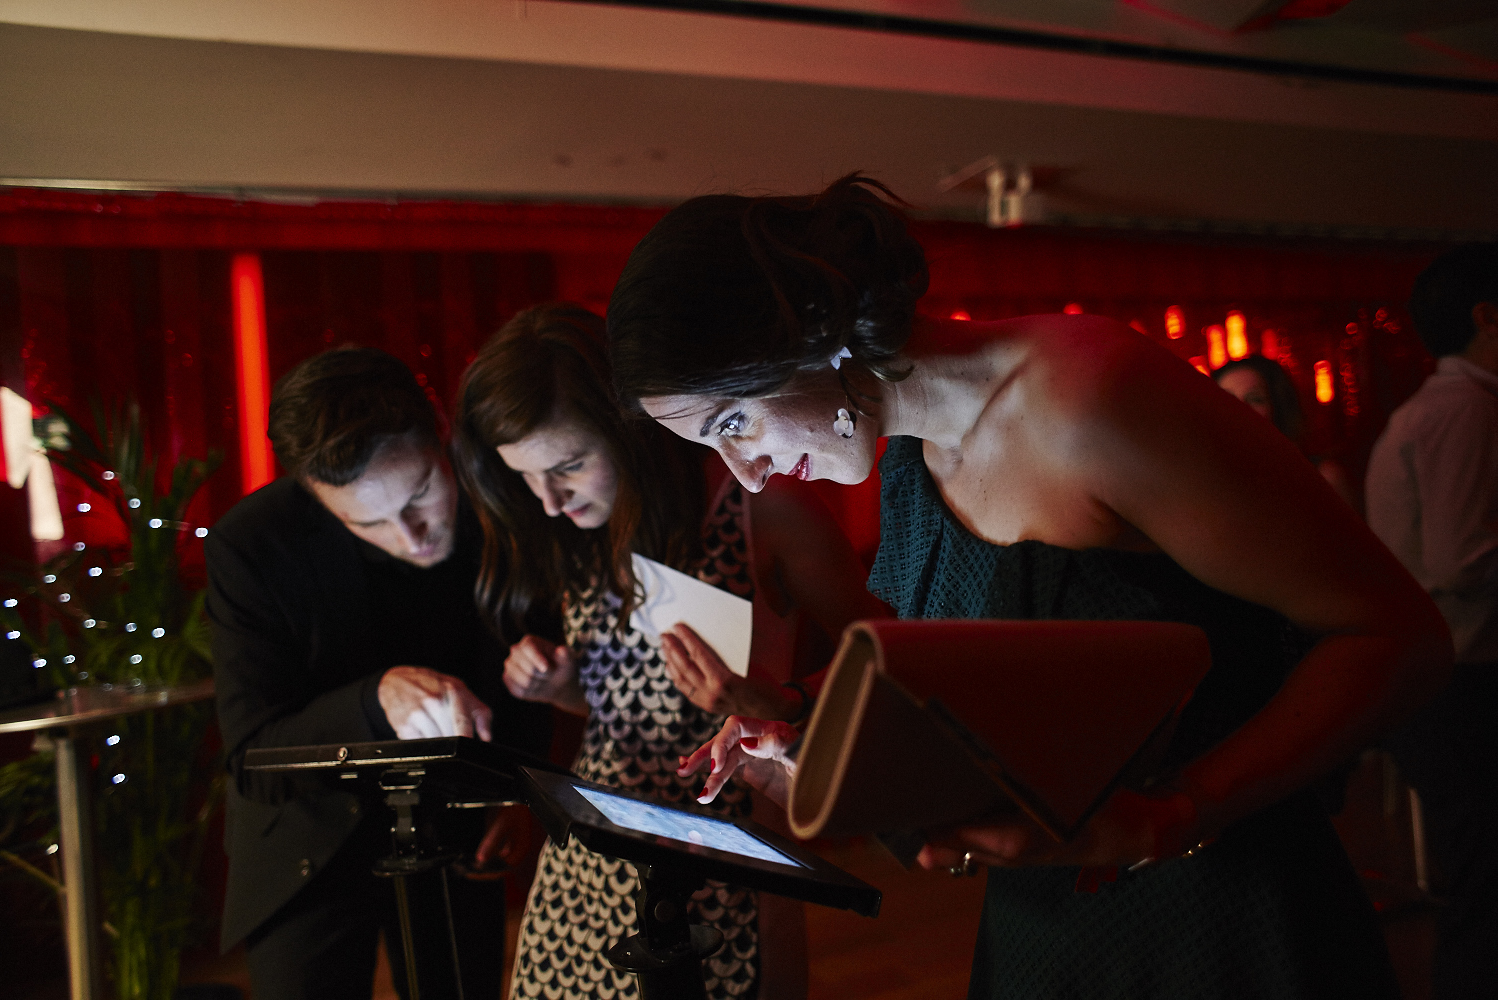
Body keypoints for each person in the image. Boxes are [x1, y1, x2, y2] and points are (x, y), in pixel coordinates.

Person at [606, 175, 1452, 998]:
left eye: (732, 425)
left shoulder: (1091, 399)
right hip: (1045, 926)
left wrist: (1174, 813)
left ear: (807, 332)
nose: (747, 478)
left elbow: (1395, 635)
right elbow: (978, 667)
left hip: (1230, 911)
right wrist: (806, 724)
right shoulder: (907, 459)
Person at [451, 304, 883, 1000]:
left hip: (719, 858)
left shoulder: (760, 508)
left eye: (567, 466)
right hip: (589, 856)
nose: (550, 501)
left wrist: (772, 702)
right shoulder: (587, 530)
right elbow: (621, 701)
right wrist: (562, 686)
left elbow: (884, 666)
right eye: (527, 480)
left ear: (633, 427)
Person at [208, 347, 551, 999]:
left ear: (440, 433)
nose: (413, 535)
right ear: (316, 499)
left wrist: (513, 788)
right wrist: (375, 699)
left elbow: (522, 652)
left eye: (422, 492)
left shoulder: (503, 501)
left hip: (456, 824)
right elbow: (253, 758)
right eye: (368, 522)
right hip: (307, 847)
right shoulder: (250, 546)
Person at [1365, 243, 1498, 999]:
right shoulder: (1465, 410)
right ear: (1488, 318)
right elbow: (1465, 562)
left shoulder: (1448, 407)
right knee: (1486, 892)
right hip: (1462, 685)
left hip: (1444, 684)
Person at [1213, 354, 1358, 510]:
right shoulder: (1210, 483)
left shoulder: (1322, 478)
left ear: (1278, 407)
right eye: (1227, 400)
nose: (1240, 409)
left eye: (1255, 399)